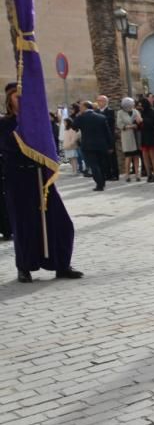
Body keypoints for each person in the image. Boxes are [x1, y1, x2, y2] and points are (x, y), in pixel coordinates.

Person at [2, 83, 82, 282]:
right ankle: (24, 267)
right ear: (9, 100)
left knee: (61, 222)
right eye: (15, 96)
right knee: (24, 225)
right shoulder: (4, 124)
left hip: (42, 179)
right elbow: (7, 149)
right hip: (18, 180)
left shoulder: (38, 122)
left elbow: (50, 145)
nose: (19, 99)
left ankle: (62, 264)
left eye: (22, 96)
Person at [74, 101, 113, 191]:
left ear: (84, 107)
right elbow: (107, 133)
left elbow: (74, 126)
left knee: (94, 165)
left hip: (88, 145)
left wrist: (78, 116)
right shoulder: (101, 117)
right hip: (101, 145)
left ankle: (99, 184)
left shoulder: (81, 117)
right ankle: (102, 182)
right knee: (101, 164)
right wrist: (110, 146)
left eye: (81, 107)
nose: (80, 109)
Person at [116, 97, 142, 181]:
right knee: (128, 156)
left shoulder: (136, 111)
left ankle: (137, 174)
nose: (132, 105)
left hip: (136, 136)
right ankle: (127, 174)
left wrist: (139, 122)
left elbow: (140, 121)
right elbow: (119, 124)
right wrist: (130, 126)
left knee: (136, 156)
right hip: (127, 136)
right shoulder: (120, 113)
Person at [138, 97, 154, 181]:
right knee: (145, 156)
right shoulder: (142, 112)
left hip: (151, 136)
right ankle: (149, 174)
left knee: (153, 156)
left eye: (141, 105)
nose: (141, 107)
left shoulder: (152, 111)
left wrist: (143, 120)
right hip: (144, 136)